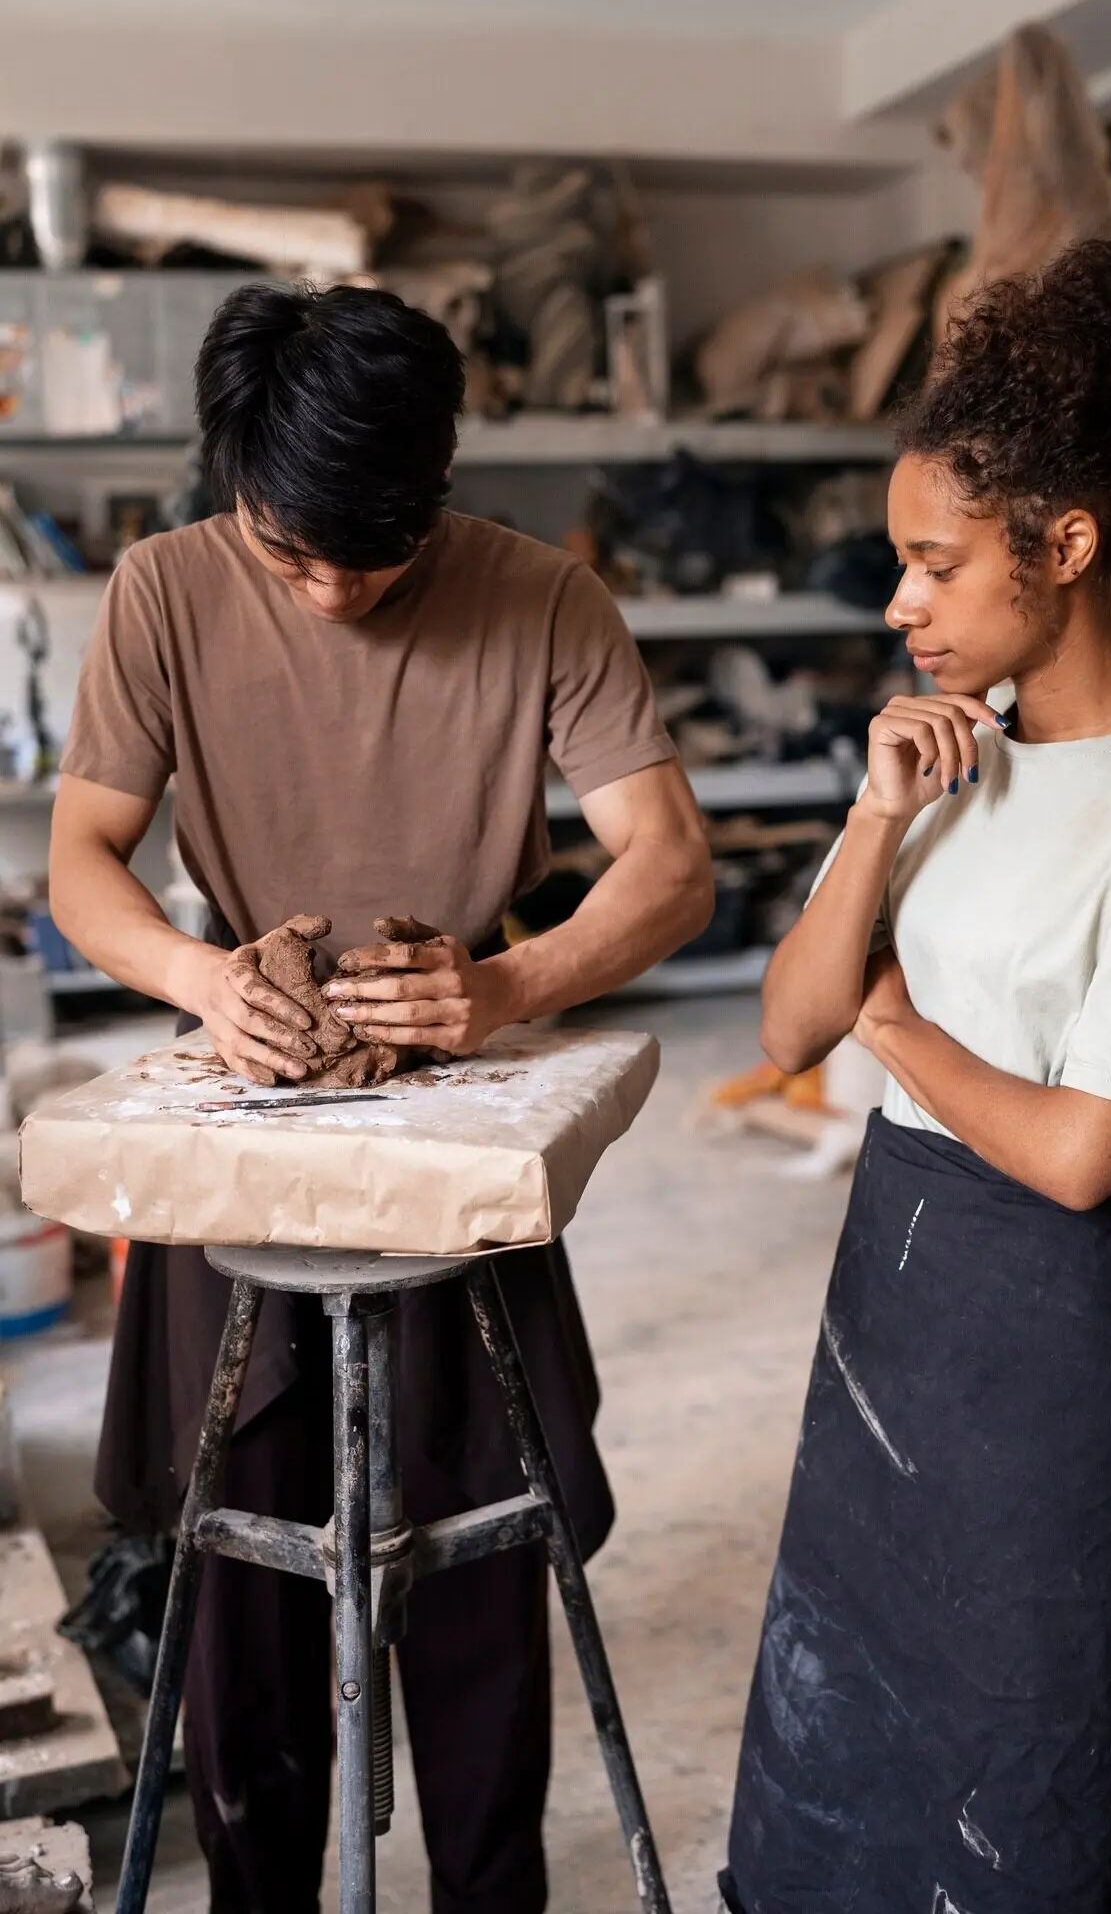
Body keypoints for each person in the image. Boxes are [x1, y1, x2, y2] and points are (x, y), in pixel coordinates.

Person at [49, 282, 714, 1914]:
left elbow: (671, 864)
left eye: (379, 552)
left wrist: (501, 988)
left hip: (452, 1104)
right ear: (230, 489)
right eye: (293, 556)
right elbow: (81, 858)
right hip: (248, 1088)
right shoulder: (160, 591)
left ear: (439, 488)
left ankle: (489, 1887)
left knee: (482, 1550)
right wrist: (206, 984)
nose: (336, 589)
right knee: (244, 1574)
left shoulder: (541, 594)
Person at [720, 237, 1111, 1914]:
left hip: (1065, 1345)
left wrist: (889, 1023)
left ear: (1067, 546)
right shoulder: (946, 758)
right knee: (857, 1745)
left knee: (1041, 1764)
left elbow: (1080, 1151)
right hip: (894, 1303)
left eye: (933, 566)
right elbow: (778, 1029)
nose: (900, 605)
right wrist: (880, 814)